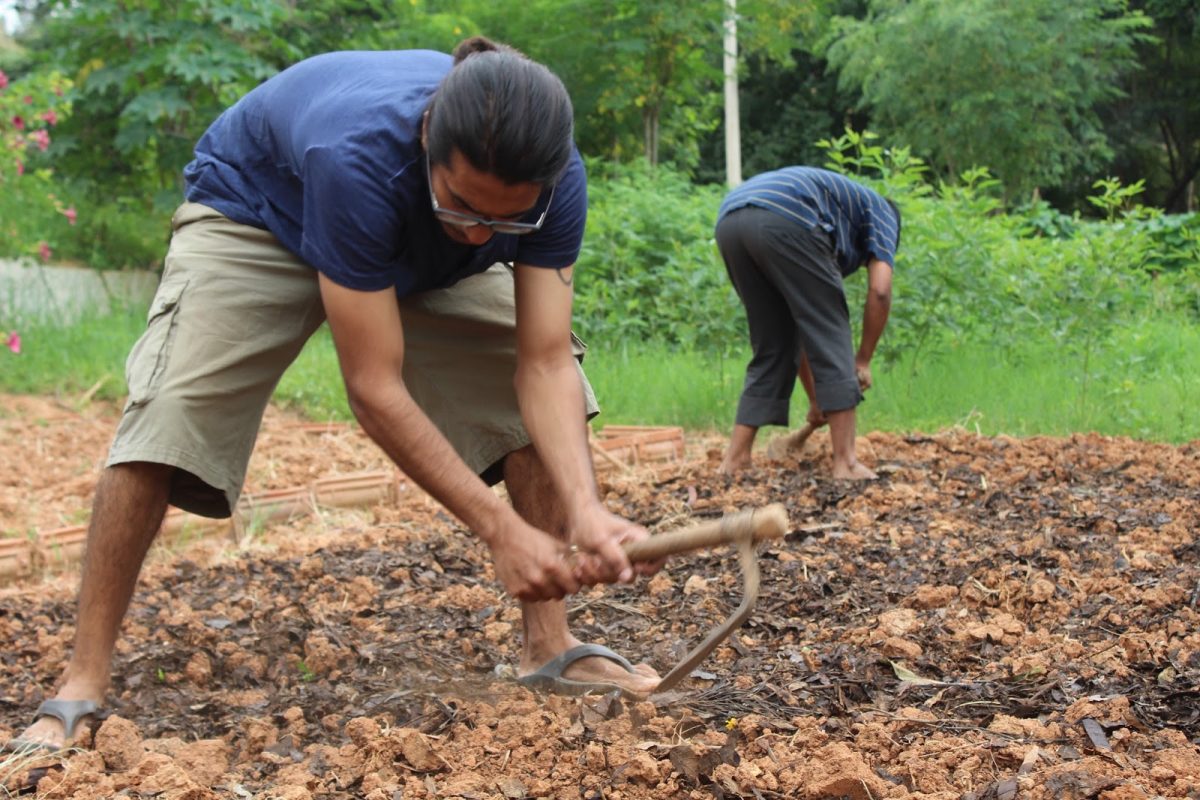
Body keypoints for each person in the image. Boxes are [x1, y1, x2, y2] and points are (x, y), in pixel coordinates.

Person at [7, 37, 662, 753]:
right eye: (466, 204)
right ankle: (82, 679)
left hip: (415, 246)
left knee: (522, 402)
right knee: (170, 414)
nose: (482, 232)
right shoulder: (358, 156)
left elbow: (541, 363)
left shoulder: (554, 179)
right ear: (425, 146)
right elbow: (373, 388)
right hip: (260, 212)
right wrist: (501, 531)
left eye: (507, 220)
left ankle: (550, 647)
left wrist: (586, 510)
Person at [715, 166, 900, 479]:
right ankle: (846, 462)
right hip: (788, 217)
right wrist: (863, 359)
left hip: (731, 220)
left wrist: (818, 400)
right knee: (832, 330)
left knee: (774, 342)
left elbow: (799, 328)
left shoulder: (842, 206)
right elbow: (880, 292)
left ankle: (735, 460)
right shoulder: (884, 213)